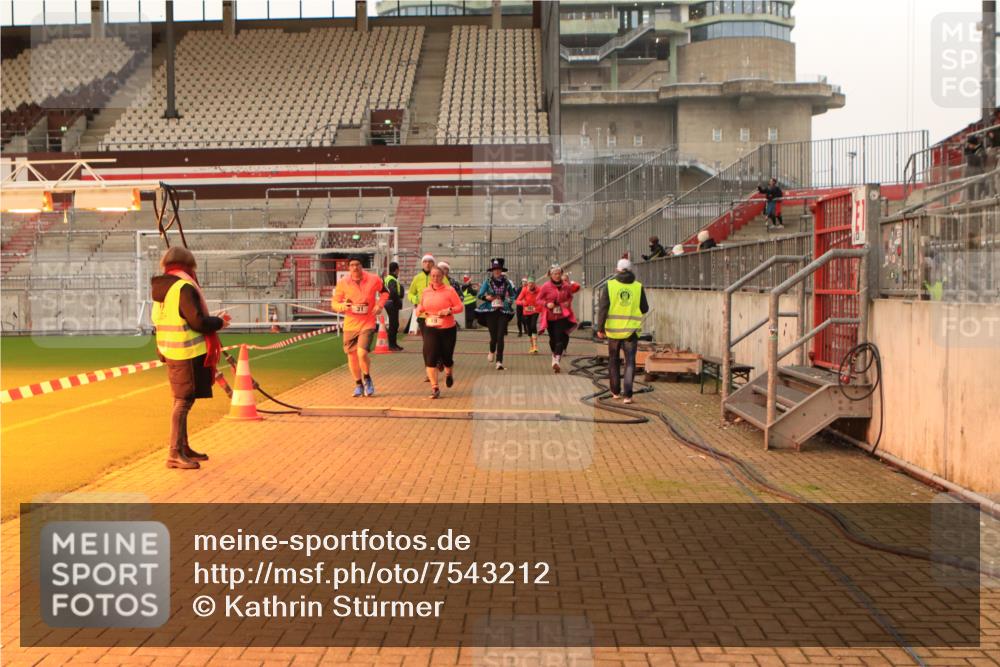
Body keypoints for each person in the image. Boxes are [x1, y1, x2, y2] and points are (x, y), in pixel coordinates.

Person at [151, 246, 230, 470]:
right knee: (183, 402)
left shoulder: (162, 289)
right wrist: (220, 323)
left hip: (170, 351)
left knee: (182, 400)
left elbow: (160, 321)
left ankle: (183, 447)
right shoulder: (183, 287)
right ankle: (174, 453)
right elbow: (197, 322)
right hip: (187, 353)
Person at [331, 256, 388, 397]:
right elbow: (334, 303)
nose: (354, 267)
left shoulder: (373, 279)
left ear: (362, 266)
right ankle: (358, 384)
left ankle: (367, 378)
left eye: (357, 264)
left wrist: (379, 305)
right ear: (348, 267)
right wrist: (342, 306)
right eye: (351, 265)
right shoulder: (343, 283)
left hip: (367, 322)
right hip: (350, 324)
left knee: (361, 353)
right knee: (351, 356)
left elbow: (385, 292)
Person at [596, 258, 649, 404]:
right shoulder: (638, 287)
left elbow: (603, 309)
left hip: (613, 332)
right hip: (631, 332)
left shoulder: (610, 286)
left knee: (613, 360)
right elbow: (645, 308)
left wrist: (600, 328)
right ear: (631, 270)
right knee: (630, 362)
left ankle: (615, 392)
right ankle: (628, 395)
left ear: (617, 270)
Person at [415, 265, 464, 398]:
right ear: (430, 277)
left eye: (438, 276)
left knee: (447, 358)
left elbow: (460, 307)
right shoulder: (425, 291)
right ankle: (435, 388)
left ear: (443, 277)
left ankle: (448, 373)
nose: (435, 278)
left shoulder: (450, 290)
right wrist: (419, 309)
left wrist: (449, 310)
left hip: (448, 329)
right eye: (433, 276)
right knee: (430, 358)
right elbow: (421, 304)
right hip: (430, 328)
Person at [537, 264, 581, 373]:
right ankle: (554, 355)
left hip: (562, 316)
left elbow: (570, 295)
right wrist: (547, 304)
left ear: (561, 274)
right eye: (554, 274)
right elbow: (538, 300)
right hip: (550, 317)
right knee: (553, 339)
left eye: (558, 273)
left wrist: (567, 303)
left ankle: (556, 360)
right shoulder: (546, 286)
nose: (557, 276)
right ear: (550, 275)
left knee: (560, 338)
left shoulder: (566, 286)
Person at [475, 258, 516, 370]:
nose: (497, 271)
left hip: (503, 311)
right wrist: (486, 297)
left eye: (498, 269)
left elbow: (513, 296)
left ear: (501, 270)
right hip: (490, 311)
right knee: (494, 338)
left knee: (500, 336)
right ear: (492, 271)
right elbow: (479, 295)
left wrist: (507, 300)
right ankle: (492, 350)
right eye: (495, 269)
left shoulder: (507, 282)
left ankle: (499, 361)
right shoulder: (487, 282)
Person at [408, 254, 449, 335]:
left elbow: (449, 292)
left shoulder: (441, 277)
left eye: (430, 262)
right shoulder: (417, 278)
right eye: (425, 262)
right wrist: (414, 299)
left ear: (433, 264)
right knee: (426, 339)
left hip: (437, 314)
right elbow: (410, 293)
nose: (427, 264)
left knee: (435, 339)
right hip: (422, 315)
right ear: (422, 264)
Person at [514, 277, 541, 354]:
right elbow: (517, 301)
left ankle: (535, 346)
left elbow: (543, 298)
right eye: (529, 283)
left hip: (535, 310)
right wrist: (523, 303)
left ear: (534, 284)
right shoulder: (524, 290)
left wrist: (539, 304)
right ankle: (532, 346)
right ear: (527, 284)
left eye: (532, 283)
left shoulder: (538, 289)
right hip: (527, 311)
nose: (531, 285)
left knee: (533, 325)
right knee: (529, 328)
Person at [383, 261, 404, 351]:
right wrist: (398, 300)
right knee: (394, 324)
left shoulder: (389, 278)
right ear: (396, 270)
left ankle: (393, 344)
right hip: (392, 303)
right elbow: (393, 292)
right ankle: (392, 345)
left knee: (394, 324)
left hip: (390, 302)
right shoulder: (391, 279)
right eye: (398, 270)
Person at [964, 134, 988, 201]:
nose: (968, 146)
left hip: (978, 176)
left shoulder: (981, 151)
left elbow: (978, 162)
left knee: (976, 197)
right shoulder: (971, 151)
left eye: (969, 144)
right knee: (970, 197)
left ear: (973, 143)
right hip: (970, 176)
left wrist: (969, 154)